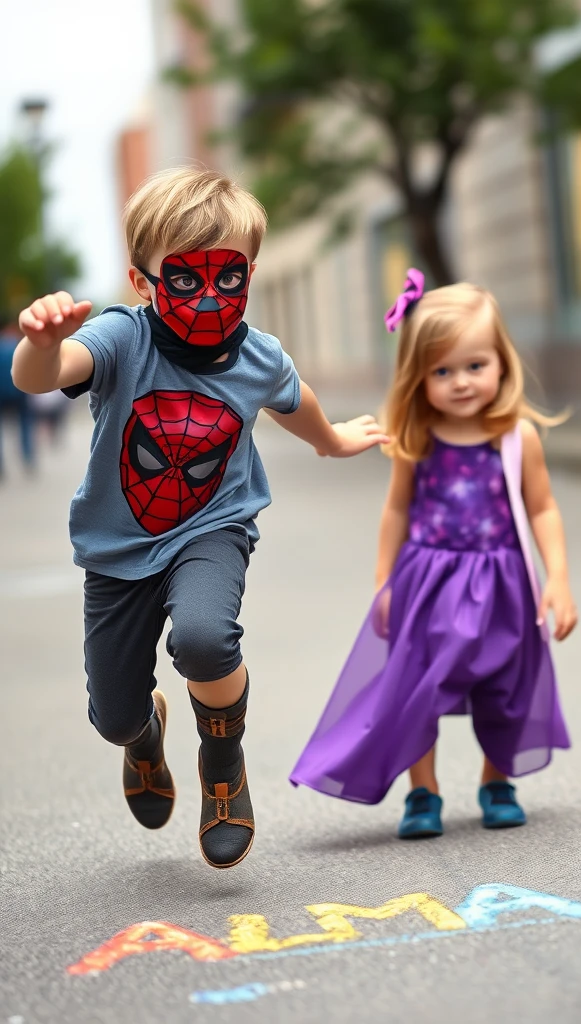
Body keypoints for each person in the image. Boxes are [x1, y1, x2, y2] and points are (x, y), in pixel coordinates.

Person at [11, 167, 388, 869]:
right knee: (112, 717)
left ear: (250, 272)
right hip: (118, 546)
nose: (211, 294)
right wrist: (39, 341)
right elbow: (43, 374)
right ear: (143, 280)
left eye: (231, 275)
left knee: (206, 639)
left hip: (213, 526)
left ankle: (223, 762)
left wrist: (332, 439)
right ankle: (145, 731)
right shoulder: (122, 338)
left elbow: (292, 393)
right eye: (186, 277)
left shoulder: (256, 353)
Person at [291, 270, 576, 838]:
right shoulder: (416, 440)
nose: (462, 382)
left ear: (501, 362)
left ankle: (497, 782)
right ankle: (423, 792)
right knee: (417, 688)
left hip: (502, 581)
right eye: (442, 371)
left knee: (505, 686)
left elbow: (542, 508)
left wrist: (558, 578)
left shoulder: (517, 437)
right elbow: (396, 511)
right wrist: (384, 581)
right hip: (428, 580)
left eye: (475, 365)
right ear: (417, 378)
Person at [0, 319, 37, 478]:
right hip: (20, 392)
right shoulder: (19, 346)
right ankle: (28, 457)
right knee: (24, 426)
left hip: (2, 393)